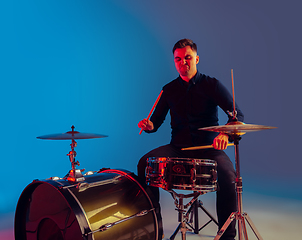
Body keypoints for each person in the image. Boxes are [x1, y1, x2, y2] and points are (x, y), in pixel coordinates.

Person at [137, 38, 243, 240]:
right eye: (178, 59)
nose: (183, 63)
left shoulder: (212, 85)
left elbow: (237, 117)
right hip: (178, 147)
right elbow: (156, 122)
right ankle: (153, 227)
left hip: (209, 148)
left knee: (229, 178)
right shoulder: (169, 89)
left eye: (187, 58)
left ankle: (227, 236)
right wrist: (149, 126)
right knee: (145, 163)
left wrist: (224, 134)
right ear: (174, 61)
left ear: (197, 58)